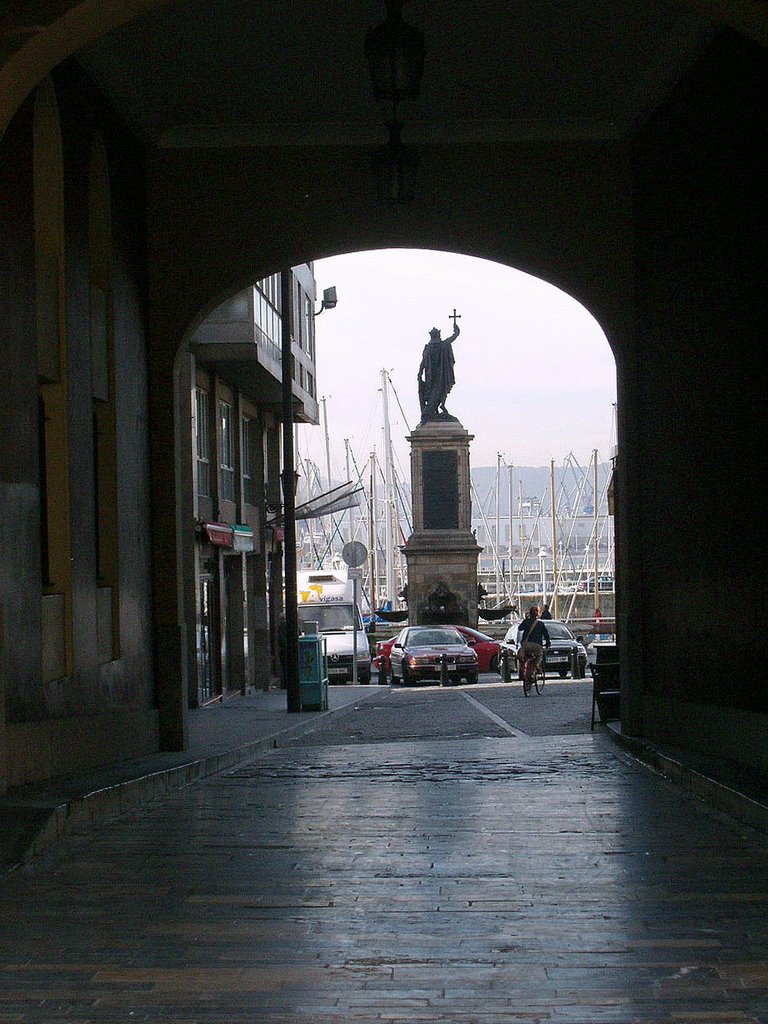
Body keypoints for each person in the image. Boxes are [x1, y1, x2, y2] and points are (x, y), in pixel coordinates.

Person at [417, 320, 460, 422]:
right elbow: (453, 337)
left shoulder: (428, 348)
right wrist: (456, 331)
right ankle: (433, 410)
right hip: (441, 377)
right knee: (439, 392)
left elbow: (423, 362)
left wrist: (419, 373)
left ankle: (432, 411)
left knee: (432, 394)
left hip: (430, 378)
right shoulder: (443, 345)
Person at [517, 605, 551, 676]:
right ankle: (537, 665)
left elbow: (520, 628)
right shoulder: (540, 624)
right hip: (537, 645)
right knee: (539, 655)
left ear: (529, 613)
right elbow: (546, 635)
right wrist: (548, 643)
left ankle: (523, 667)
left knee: (522, 654)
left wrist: (525, 620)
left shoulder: (526, 622)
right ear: (537, 614)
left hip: (526, 645)